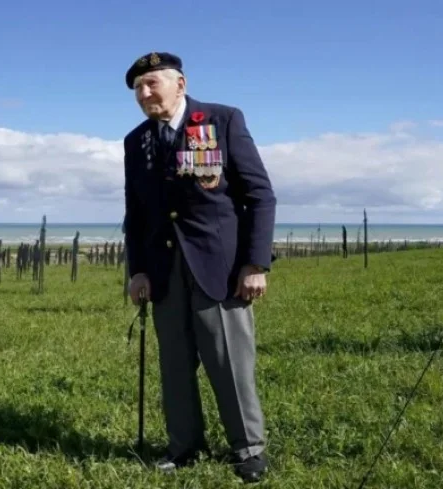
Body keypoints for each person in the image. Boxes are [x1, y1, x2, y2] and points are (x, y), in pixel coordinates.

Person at [122, 51, 276, 483]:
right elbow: (136, 214)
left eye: (152, 83)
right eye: (138, 87)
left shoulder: (222, 121)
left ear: (181, 84)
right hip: (164, 270)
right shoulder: (137, 141)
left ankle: (248, 450)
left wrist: (254, 262)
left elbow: (260, 196)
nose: (144, 93)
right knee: (174, 363)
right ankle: (184, 445)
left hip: (220, 267)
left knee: (228, 361)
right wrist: (137, 271)